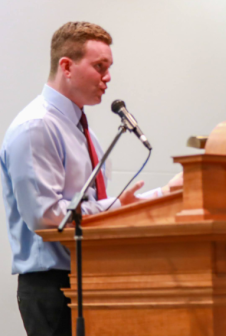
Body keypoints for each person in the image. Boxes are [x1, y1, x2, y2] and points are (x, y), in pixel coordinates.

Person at [0, 22, 182, 336]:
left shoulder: (87, 134)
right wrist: (116, 206)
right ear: (67, 66)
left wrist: (165, 194)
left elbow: (98, 209)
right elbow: (47, 218)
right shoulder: (36, 127)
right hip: (52, 285)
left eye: (108, 67)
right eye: (100, 67)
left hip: (93, 277)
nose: (107, 77)